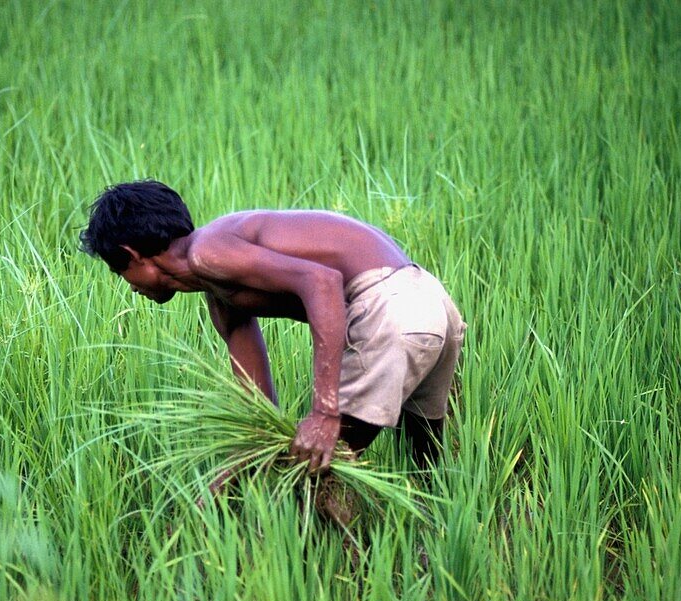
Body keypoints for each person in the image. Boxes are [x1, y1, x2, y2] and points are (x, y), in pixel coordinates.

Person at [79, 179, 466, 480]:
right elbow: (260, 413)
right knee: (426, 466)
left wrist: (325, 412)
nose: (130, 286)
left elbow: (321, 283)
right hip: (427, 301)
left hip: (390, 308)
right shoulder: (221, 296)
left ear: (133, 255)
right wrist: (241, 463)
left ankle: (332, 567)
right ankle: (430, 541)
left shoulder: (208, 252)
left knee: (313, 469)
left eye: (120, 272)